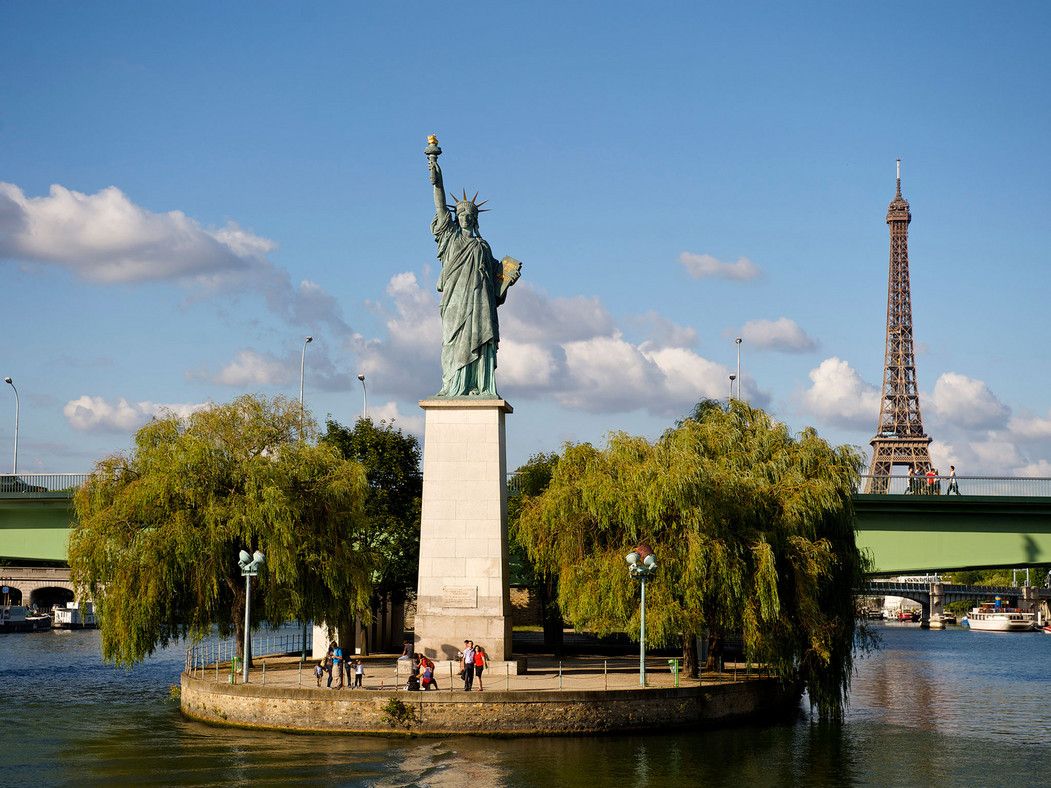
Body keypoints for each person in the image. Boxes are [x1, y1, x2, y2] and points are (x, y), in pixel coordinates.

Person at [427, 140, 521, 397]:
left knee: (481, 340)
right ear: (456, 217)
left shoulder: (483, 246)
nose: (465, 216)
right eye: (461, 213)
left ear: (476, 218)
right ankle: (453, 386)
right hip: (455, 303)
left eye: (470, 214)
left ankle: (479, 385)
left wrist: (507, 279)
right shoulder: (450, 237)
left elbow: (495, 285)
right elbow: (439, 203)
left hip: (479, 304)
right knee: (453, 343)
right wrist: (435, 172)